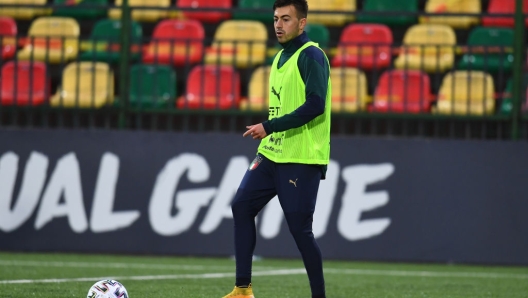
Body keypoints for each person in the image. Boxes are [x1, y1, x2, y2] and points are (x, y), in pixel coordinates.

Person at [222, 0, 331, 297]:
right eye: (275, 19)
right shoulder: (280, 57)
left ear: (302, 23)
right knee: (241, 206)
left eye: (286, 18)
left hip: (301, 156)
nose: (279, 25)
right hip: (272, 153)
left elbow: (316, 105)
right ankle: (242, 290)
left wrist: (269, 126)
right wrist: (271, 132)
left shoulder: (311, 56)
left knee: (300, 231)